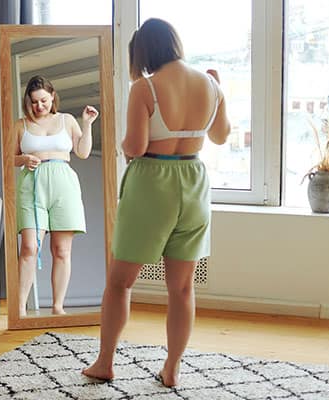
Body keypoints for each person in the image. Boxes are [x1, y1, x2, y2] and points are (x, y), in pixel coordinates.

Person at [82, 18, 231, 387]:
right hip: (194, 183)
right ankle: (172, 369)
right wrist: (221, 91)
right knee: (181, 288)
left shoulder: (144, 88)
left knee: (120, 282)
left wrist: (121, 145)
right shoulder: (210, 84)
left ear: (144, 52)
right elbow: (221, 136)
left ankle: (104, 362)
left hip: (153, 183)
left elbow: (134, 148)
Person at [15, 75, 99, 317]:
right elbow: (8, 157)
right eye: (33, 102)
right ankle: (20, 308)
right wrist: (22, 159)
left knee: (62, 250)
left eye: (43, 100)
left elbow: (82, 152)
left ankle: (57, 306)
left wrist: (87, 124)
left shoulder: (66, 120)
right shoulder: (21, 124)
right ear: (27, 102)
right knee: (29, 247)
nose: (39, 106)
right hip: (32, 185)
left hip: (63, 183)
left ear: (52, 96)